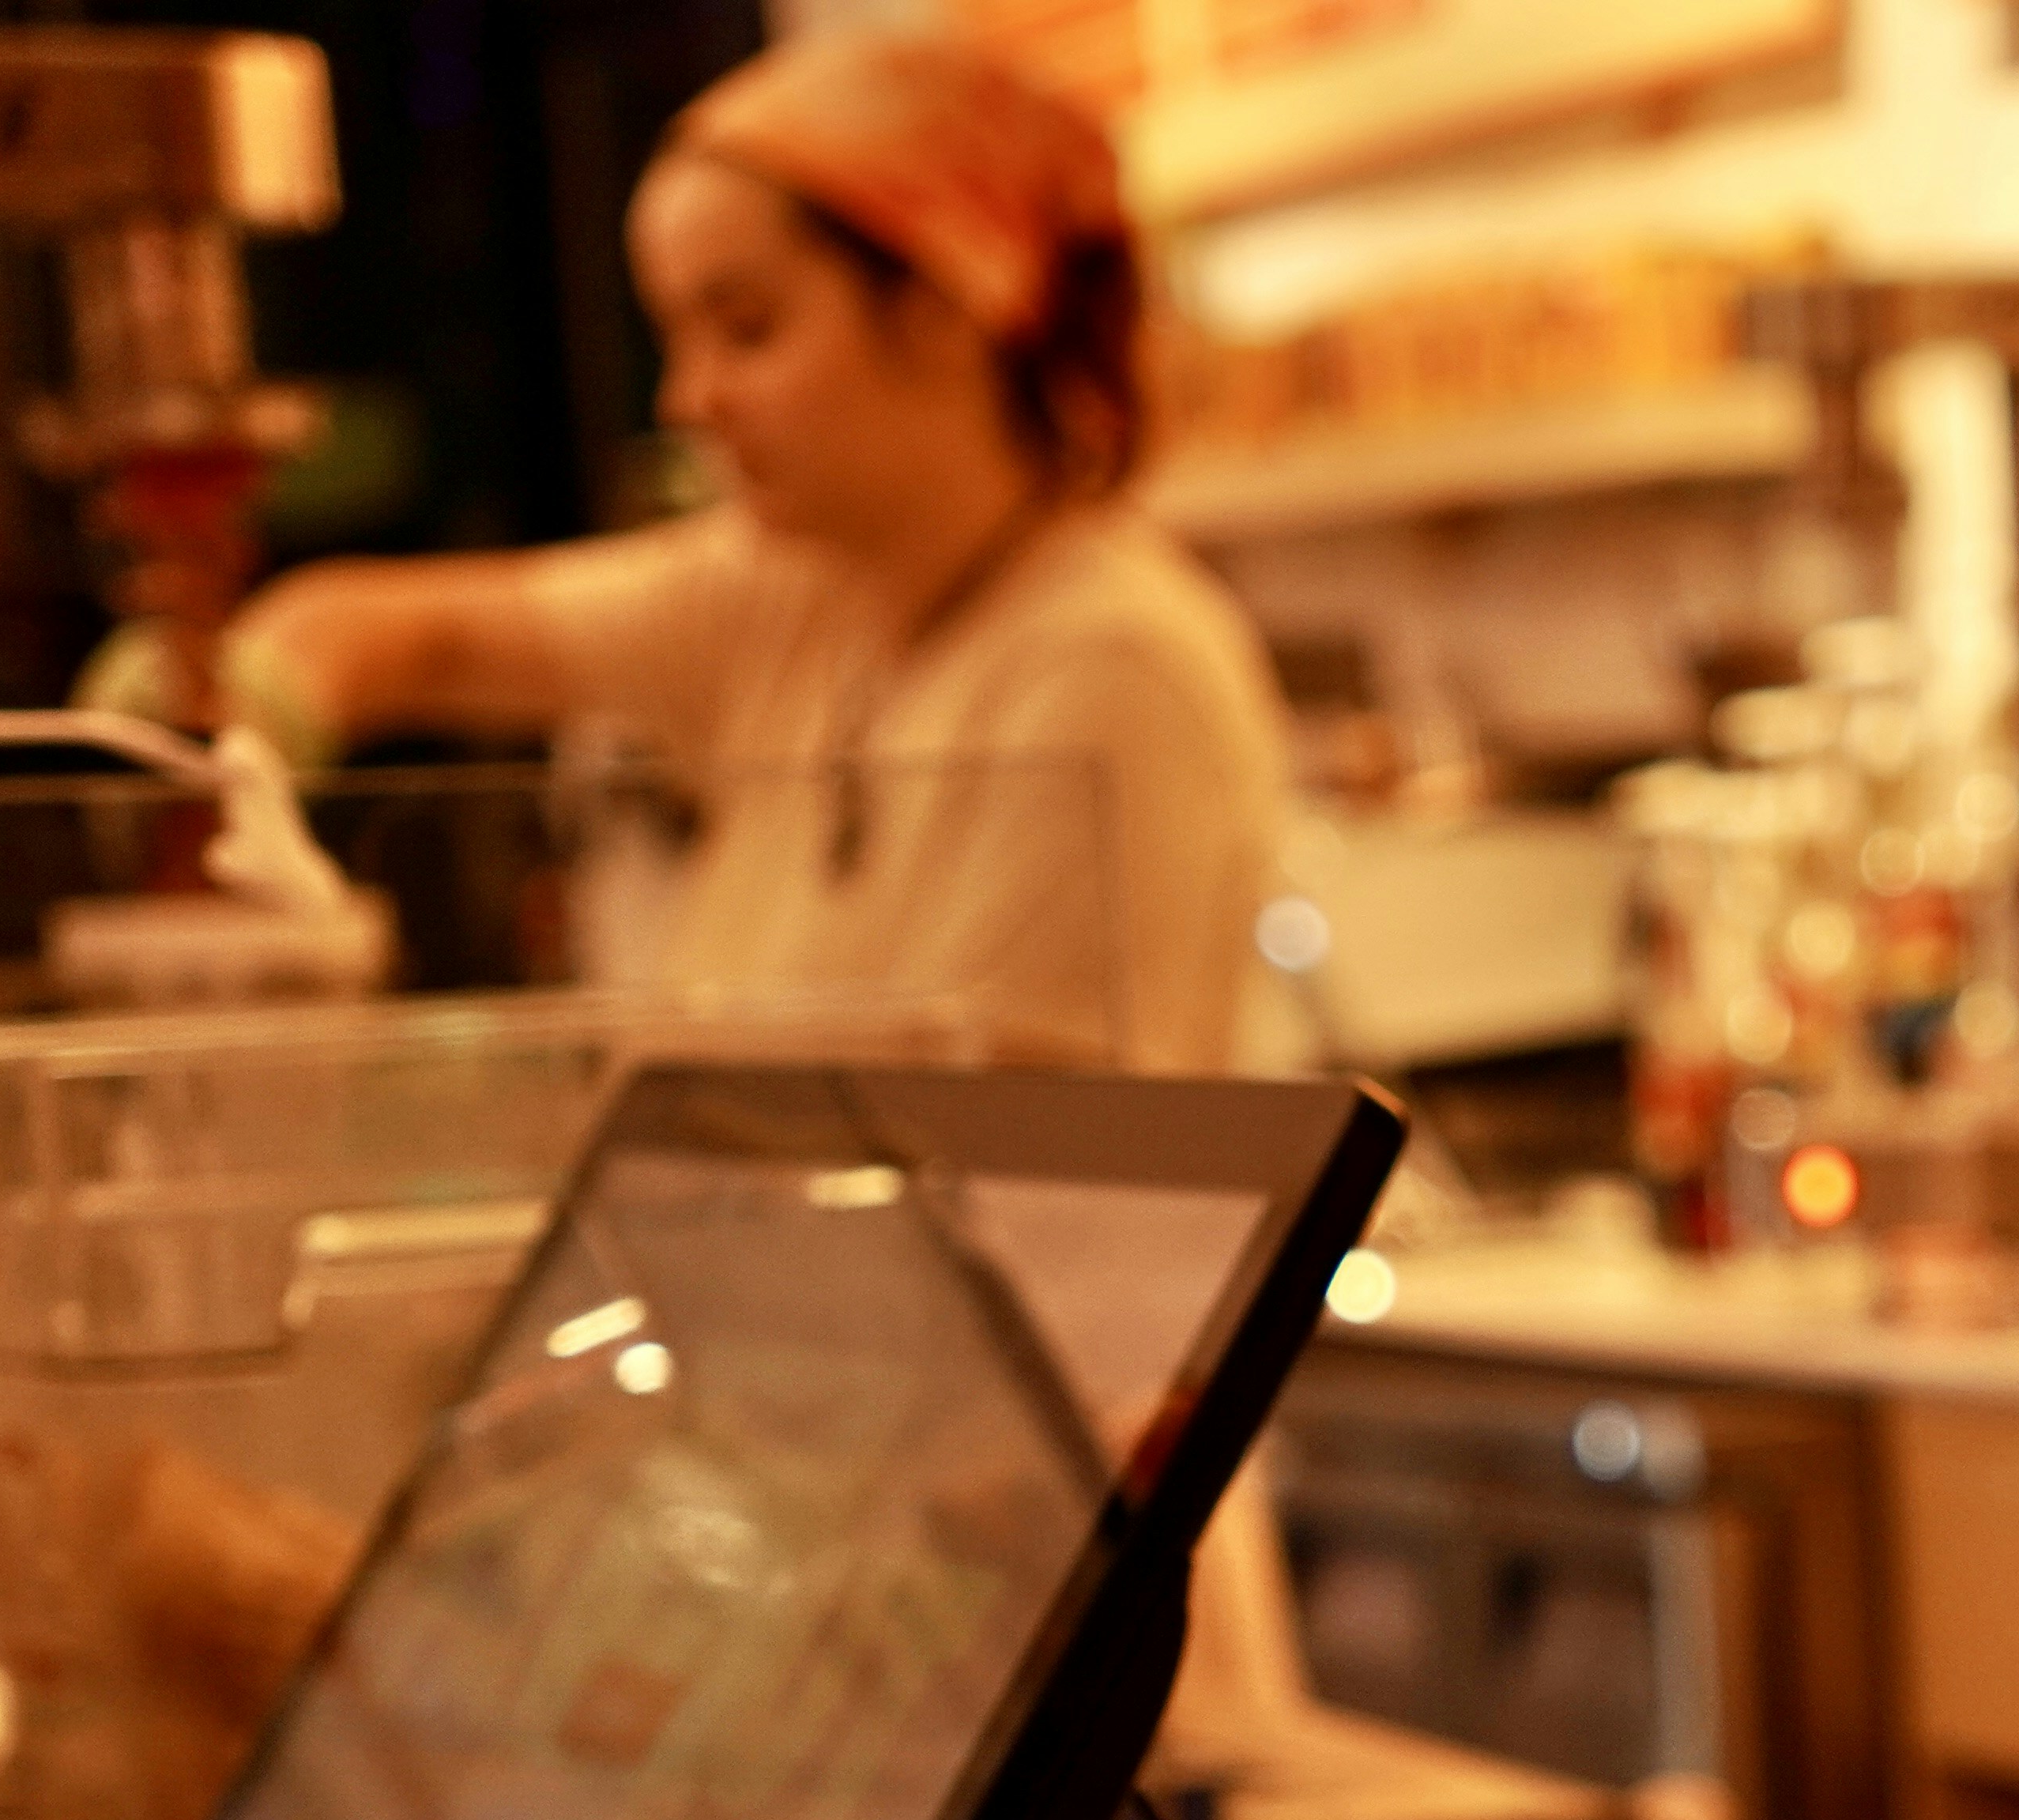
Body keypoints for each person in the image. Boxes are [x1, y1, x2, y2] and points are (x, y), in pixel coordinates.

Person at [220, 26, 1286, 1078]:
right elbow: (408, 637)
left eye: (748, 329)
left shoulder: (1110, 661)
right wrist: (247, 731)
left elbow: (1027, 1182)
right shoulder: (788, 588)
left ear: (946, 309)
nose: (688, 400)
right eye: (675, 338)